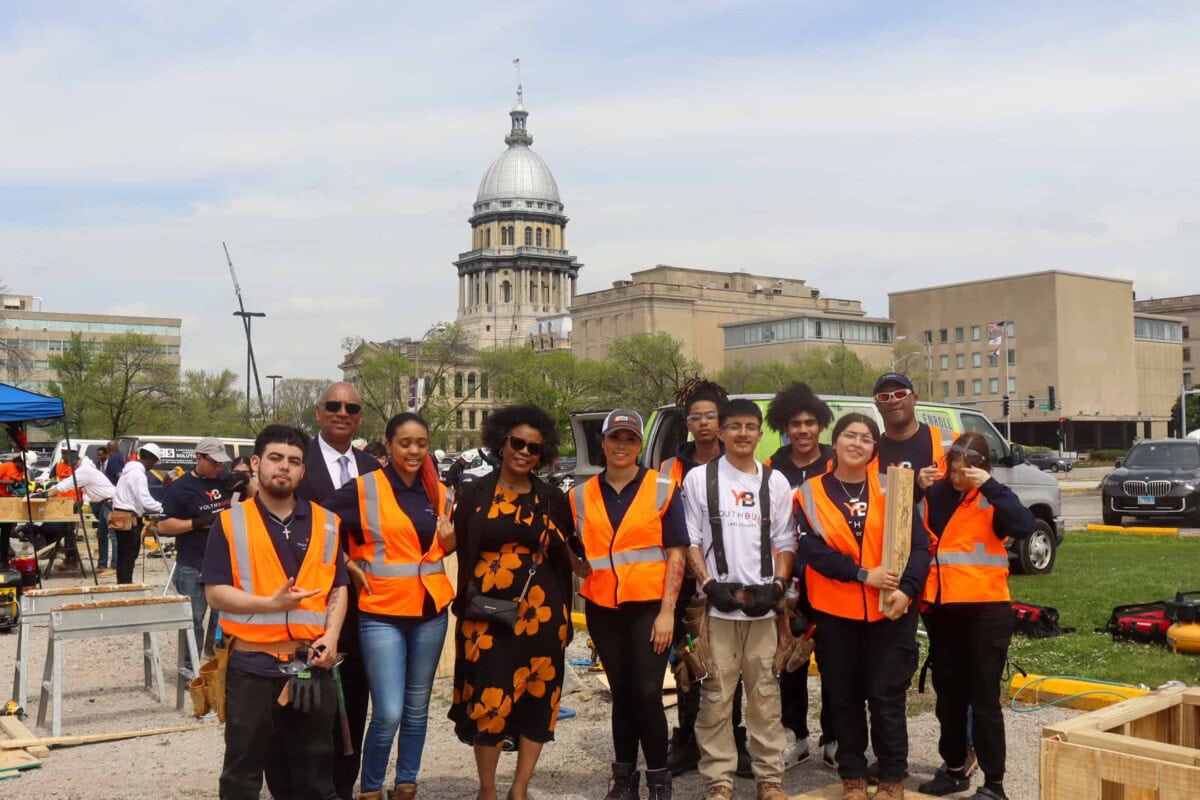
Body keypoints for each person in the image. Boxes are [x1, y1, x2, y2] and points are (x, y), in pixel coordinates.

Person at [202, 425, 348, 800]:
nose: (284, 467)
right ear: (256, 463)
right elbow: (215, 593)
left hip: (309, 665)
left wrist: (331, 637)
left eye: (294, 461)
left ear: (303, 471)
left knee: (315, 773)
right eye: (276, 458)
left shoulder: (328, 523)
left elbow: (338, 587)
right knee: (242, 774)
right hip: (252, 666)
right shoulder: (230, 523)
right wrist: (270, 605)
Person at [448, 404, 581, 800]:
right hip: (486, 616)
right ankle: (487, 789)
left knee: (538, 698)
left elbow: (567, 555)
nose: (525, 452)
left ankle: (519, 788)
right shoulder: (474, 493)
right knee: (489, 697)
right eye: (517, 443)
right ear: (501, 444)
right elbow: (460, 547)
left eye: (534, 448)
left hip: (541, 617)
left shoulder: (552, 497)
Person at [795, 413, 931, 800]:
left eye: (867, 438)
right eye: (850, 436)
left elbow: (919, 546)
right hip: (836, 614)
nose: (858, 443)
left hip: (890, 613)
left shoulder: (895, 488)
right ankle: (852, 776)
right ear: (834, 443)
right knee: (844, 696)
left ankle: (891, 779)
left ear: (875, 449)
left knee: (887, 697)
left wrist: (907, 590)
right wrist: (861, 574)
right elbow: (811, 551)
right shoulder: (809, 493)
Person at [322, 413, 456, 800]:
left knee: (417, 710)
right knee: (389, 712)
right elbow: (318, 524)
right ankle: (371, 787)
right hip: (381, 613)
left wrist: (450, 544)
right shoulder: (364, 489)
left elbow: (437, 549)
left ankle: (406, 784)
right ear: (389, 444)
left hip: (430, 613)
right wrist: (346, 564)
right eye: (405, 443)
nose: (414, 451)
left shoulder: (441, 493)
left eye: (421, 443)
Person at [682, 398, 796, 800]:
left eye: (750, 427)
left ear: (760, 434)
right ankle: (719, 781)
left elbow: (785, 541)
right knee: (715, 697)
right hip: (717, 610)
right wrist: (708, 583)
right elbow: (691, 539)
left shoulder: (775, 482)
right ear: (722, 431)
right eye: (735, 426)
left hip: (762, 612)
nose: (743, 434)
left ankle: (769, 778)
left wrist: (778, 588)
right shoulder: (699, 479)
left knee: (765, 697)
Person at [571, 409, 686, 800]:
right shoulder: (580, 497)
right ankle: (623, 781)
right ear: (602, 442)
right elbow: (575, 552)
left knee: (648, 691)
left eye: (630, 439)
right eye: (615, 438)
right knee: (622, 693)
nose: (622, 446)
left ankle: (658, 779)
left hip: (650, 607)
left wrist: (668, 611)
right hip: (603, 608)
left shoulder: (662, 488)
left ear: (639, 444)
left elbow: (676, 554)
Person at [917, 434, 1033, 800]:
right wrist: (916, 490)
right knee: (948, 697)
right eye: (952, 469)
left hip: (986, 611)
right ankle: (954, 770)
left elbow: (1025, 526)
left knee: (984, 702)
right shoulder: (934, 495)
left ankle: (994, 786)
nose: (956, 477)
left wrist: (993, 488)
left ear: (982, 469)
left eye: (965, 471)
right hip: (942, 610)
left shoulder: (992, 498)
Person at [295, 382, 382, 800]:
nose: (342, 412)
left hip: (365, 606)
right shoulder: (297, 462)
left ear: (360, 416)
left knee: (355, 700)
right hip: (310, 602)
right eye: (334, 405)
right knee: (308, 701)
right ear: (319, 411)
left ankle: (344, 785)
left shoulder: (372, 468)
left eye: (351, 407)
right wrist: (340, 561)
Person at [661, 379, 752, 777]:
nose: (702, 424)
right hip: (685, 585)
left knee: (733, 665)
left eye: (710, 416)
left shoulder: (738, 465)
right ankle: (686, 738)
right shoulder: (669, 469)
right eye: (694, 417)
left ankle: (733, 737)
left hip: (731, 579)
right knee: (689, 660)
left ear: (723, 421)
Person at [764, 382, 835, 769]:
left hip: (831, 575)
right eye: (795, 424)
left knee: (834, 657)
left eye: (810, 422)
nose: (803, 430)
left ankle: (835, 735)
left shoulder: (837, 461)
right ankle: (794, 734)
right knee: (789, 656)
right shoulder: (773, 468)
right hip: (789, 575)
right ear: (784, 427)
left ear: (821, 425)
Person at [156, 438, 235, 664]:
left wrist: (245, 481)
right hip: (193, 563)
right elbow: (163, 526)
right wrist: (199, 522)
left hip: (224, 564)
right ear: (199, 457)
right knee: (193, 618)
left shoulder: (223, 480)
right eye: (215, 463)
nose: (219, 468)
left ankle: (218, 666)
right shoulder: (180, 488)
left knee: (223, 618)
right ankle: (189, 667)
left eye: (222, 463)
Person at [872, 373, 952, 493]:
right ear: (877, 405)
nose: (893, 400)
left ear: (914, 399)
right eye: (884, 397)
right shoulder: (871, 452)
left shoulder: (949, 441)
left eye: (900, 394)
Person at [45, 449, 116, 576]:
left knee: (113, 535)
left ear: (76, 463)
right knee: (101, 534)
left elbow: (66, 484)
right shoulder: (85, 468)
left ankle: (116, 566)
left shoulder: (84, 470)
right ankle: (102, 565)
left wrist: (47, 494)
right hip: (104, 502)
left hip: (111, 502)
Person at [111, 443, 164, 584]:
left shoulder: (129, 470)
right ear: (151, 459)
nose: (153, 466)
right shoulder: (138, 474)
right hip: (129, 518)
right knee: (128, 555)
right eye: (154, 462)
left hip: (120, 516)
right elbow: (145, 501)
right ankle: (125, 585)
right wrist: (165, 508)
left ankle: (122, 583)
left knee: (123, 555)